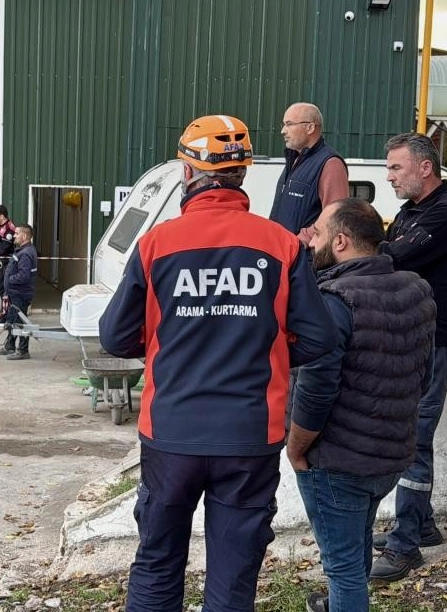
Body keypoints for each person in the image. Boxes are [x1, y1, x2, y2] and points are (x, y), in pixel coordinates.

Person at [98, 114, 337, 612]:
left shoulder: (155, 245)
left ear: (188, 173)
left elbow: (116, 337)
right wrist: (262, 349)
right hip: (250, 434)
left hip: (171, 430)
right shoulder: (282, 245)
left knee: (158, 561)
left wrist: (177, 342)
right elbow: (319, 338)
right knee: (233, 575)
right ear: (244, 175)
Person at [286, 198, 436, 612]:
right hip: (390, 457)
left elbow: (316, 390)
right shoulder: (417, 289)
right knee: (356, 550)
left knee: (344, 568)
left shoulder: (333, 300)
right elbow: (423, 376)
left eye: (315, 233)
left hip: (336, 463)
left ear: (340, 241)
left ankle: (344, 602)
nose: (307, 239)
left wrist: (296, 447)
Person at [369, 132, 447, 582]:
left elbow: (390, 258)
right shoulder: (414, 211)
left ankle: (405, 545)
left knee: (414, 441)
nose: (389, 176)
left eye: (396, 168)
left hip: (436, 341)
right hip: (413, 338)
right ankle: (423, 524)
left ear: (425, 168)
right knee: (410, 435)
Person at [268, 102, 349, 242]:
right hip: (283, 252)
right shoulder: (294, 159)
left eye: (289, 124)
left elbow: (335, 217)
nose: (283, 131)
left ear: (310, 127)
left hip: (305, 258)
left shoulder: (330, 164)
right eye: (284, 125)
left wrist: (299, 241)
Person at [0, 223, 37, 360]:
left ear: (24, 236)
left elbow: (24, 276)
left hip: (21, 294)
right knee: (12, 320)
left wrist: (9, 279)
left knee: (20, 322)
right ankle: (9, 346)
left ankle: (23, 350)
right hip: (15, 293)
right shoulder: (22, 251)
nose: (14, 236)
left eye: (17, 234)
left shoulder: (25, 254)